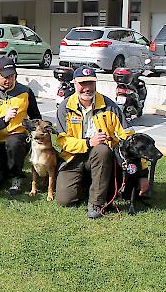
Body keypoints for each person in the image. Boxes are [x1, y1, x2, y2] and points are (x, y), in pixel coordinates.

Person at [55, 66, 142, 219]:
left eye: (91, 83)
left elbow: (130, 138)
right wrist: (88, 143)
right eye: (83, 84)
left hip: (101, 157)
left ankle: (96, 203)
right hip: (73, 157)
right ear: (75, 84)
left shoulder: (110, 106)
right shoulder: (65, 107)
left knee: (102, 149)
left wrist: (142, 173)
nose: (87, 88)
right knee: (65, 200)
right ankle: (87, 184)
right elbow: (63, 142)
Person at [0, 57, 41, 193]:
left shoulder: (26, 92)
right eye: (5, 77)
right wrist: (4, 120)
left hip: (17, 139)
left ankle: (16, 176)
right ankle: (4, 168)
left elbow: (36, 118)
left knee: (14, 142)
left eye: (12, 76)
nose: (8, 80)